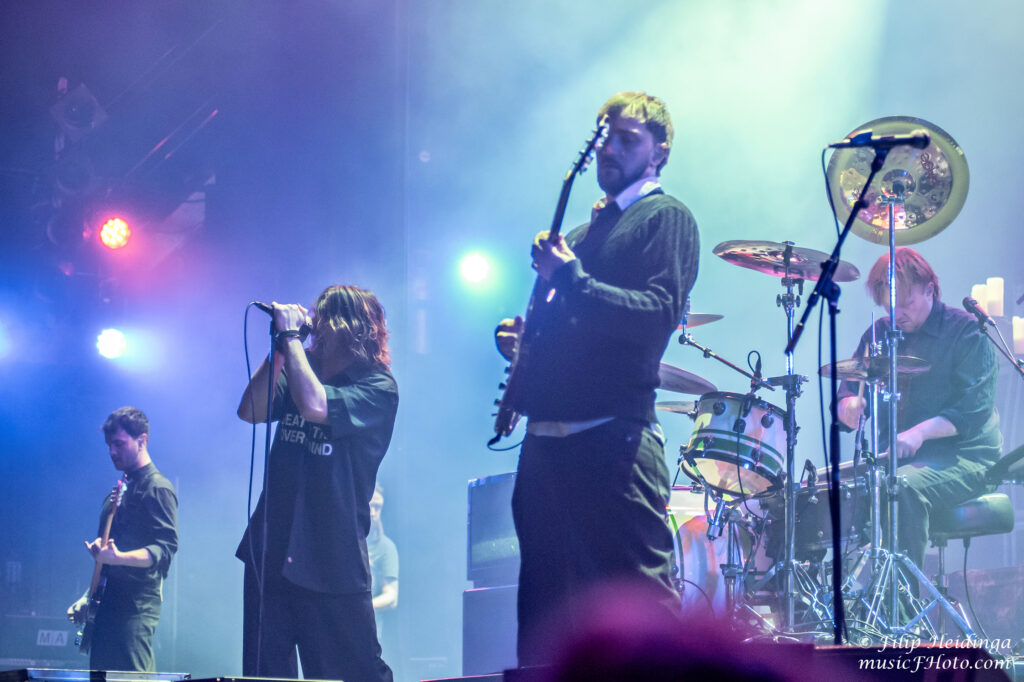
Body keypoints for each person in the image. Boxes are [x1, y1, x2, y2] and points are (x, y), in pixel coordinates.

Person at [494, 91, 700, 666]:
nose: (610, 149)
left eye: (628, 139)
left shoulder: (665, 218)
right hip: (546, 450)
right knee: (547, 621)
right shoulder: (583, 236)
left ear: (659, 152)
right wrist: (525, 339)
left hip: (614, 445)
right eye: (606, 137)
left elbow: (656, 316)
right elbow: (576, 323)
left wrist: (571, 278)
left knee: (640, 618)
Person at [236, 285, 397, 682]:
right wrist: (279, 349)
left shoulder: (377, 387)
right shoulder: (298, 365)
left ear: (351, 327)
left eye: (322, 316)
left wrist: (292, 338)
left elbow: (315, 405)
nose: (315, 324)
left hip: (332, 557)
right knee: (266, 675)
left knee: (357, 673)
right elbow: (250, 410)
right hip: (271, 549)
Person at [837, 248, 1001, 570]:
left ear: (930, 289)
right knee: (823, 493)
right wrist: (848, 407)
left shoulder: (966, 332)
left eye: (906, 303)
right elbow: (848, 394)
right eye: (889, 306)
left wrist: (919, 433)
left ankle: (901, 601)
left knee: (900, 486)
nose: (897, 314)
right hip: (896, 462)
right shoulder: (879, 333)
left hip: (965, 458)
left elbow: (973, 411)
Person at [66, 406, 178, 672]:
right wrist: (88, 595)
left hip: (134, 609)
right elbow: (107, 559)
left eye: (119, 444)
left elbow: (164, 549)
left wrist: (119, 558)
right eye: (109, 445)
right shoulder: (120, 489)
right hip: (107, 606)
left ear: (142, 440)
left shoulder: (157, 488)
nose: (112, 452)